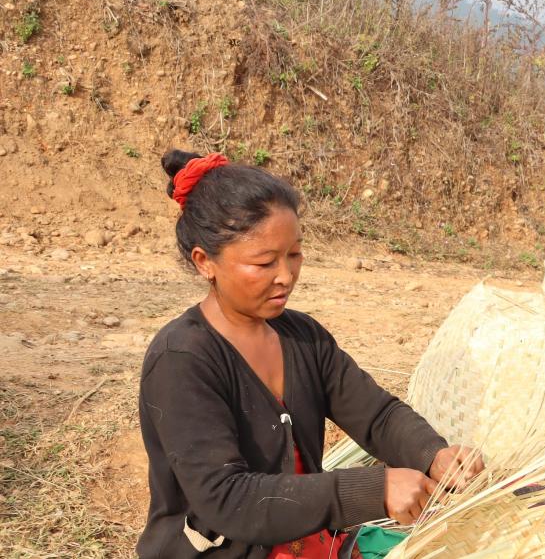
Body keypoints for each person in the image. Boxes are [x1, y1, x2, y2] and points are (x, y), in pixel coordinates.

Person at [137, 150, 482, 558]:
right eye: (264, 262)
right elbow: (228, 499)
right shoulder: (183, 360)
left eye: (294, 254)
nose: (286, 276)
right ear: (204, 262)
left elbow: (376, 415)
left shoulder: (301, 337)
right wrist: (375, 488)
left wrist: (433, 454)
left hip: (307, 543)